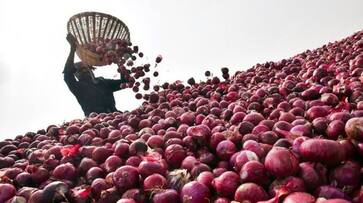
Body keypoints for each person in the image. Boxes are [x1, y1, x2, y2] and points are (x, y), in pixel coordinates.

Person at [63, 34, 128, 116]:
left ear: (91, 69)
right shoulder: (77, 87)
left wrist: (119, 61)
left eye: (85, 68)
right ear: (75, 75)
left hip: (115, 117)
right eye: (79, 70)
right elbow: (67, 73)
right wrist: (73, 49)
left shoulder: (102, 81)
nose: (84, 71)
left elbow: (124, 82)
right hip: (95, 122)